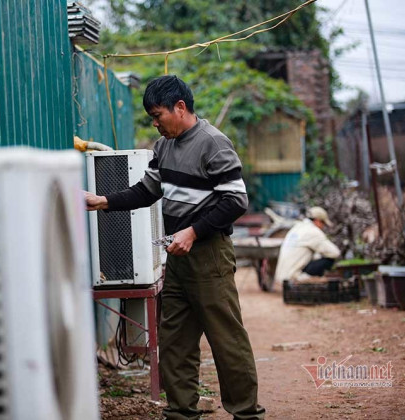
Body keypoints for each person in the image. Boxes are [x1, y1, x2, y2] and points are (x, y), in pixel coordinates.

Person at [85, 75, 264, 420]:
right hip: (178, 259)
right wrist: (102, 201)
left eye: (158, 115)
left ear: (180, 108)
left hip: (209, 255)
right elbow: (146, 190)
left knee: (226, 339)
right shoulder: (164, 146)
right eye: (152, 117)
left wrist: (193, 232)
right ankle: (181, 412)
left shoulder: (214, 143)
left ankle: (246, 413)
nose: (155, 123)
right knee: (174, 341)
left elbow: (235, 201)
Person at [274, 206, 341, 284]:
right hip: (293, 276)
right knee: (329, 260)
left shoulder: (297, 227)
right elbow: (335, 253)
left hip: (282, 275)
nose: (323, 227)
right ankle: (308, 279)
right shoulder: (313, 231)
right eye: (323, 223)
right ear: (318, 221)